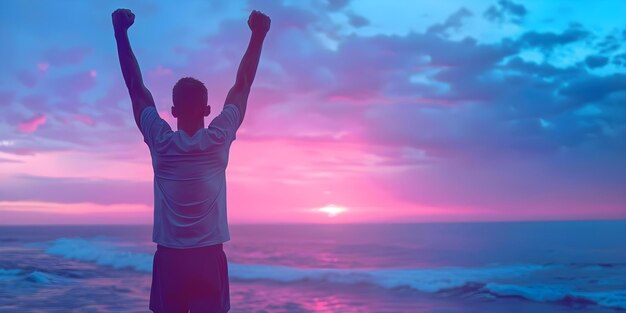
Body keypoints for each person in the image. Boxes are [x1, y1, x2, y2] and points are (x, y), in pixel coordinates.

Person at [112, 8, 270, 313]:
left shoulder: (160, 140)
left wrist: (120, 32)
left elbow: (134, 86)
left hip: (170, 258)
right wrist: (258, 34)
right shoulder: (218, 137)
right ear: (207, 110)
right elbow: (243, 83)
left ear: (172, 111)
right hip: (208, 257)